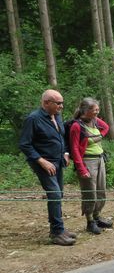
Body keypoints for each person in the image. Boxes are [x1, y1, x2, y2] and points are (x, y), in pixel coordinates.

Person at [19, 89, 76, 246]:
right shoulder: (33, 119)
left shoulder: (57, 116)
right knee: (55, 194)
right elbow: (24, 144)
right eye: (58, 103)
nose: (61, 106)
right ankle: (57, 232)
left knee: (59, 194)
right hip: (43, 163)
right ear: (46, 103)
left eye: (62, 103)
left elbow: (61, 137)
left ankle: (58, 228)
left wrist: (65, 152)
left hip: (58, 161)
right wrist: (41, 161)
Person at [69, 97, 111, 235]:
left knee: (101, 191)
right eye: (95, 110)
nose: (97, 112)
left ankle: (97, 216)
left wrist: (100, 137)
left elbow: (106, 127)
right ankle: (90, 221)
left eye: (98, 109)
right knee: (90, 193)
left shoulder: (94, 121)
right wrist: (81, 168)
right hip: (87, 162)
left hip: (100, 160)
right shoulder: (77, 126)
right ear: (86, 111)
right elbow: (74, 149)